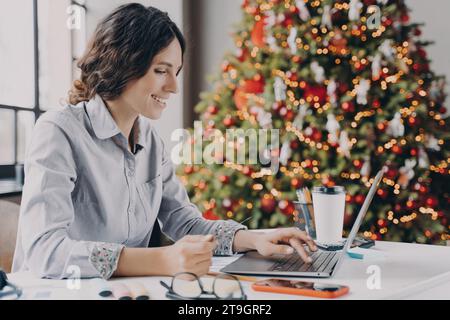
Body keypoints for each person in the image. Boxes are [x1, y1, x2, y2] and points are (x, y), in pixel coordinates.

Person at [12, 3, 316, 280]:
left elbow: (186, 223)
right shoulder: (58, 131)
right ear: (122, 63)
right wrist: (162, 261)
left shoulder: (150, 142)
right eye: (161, 71)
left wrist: (255, 238)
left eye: (176, 72)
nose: (173, 87)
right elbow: (46, 253)